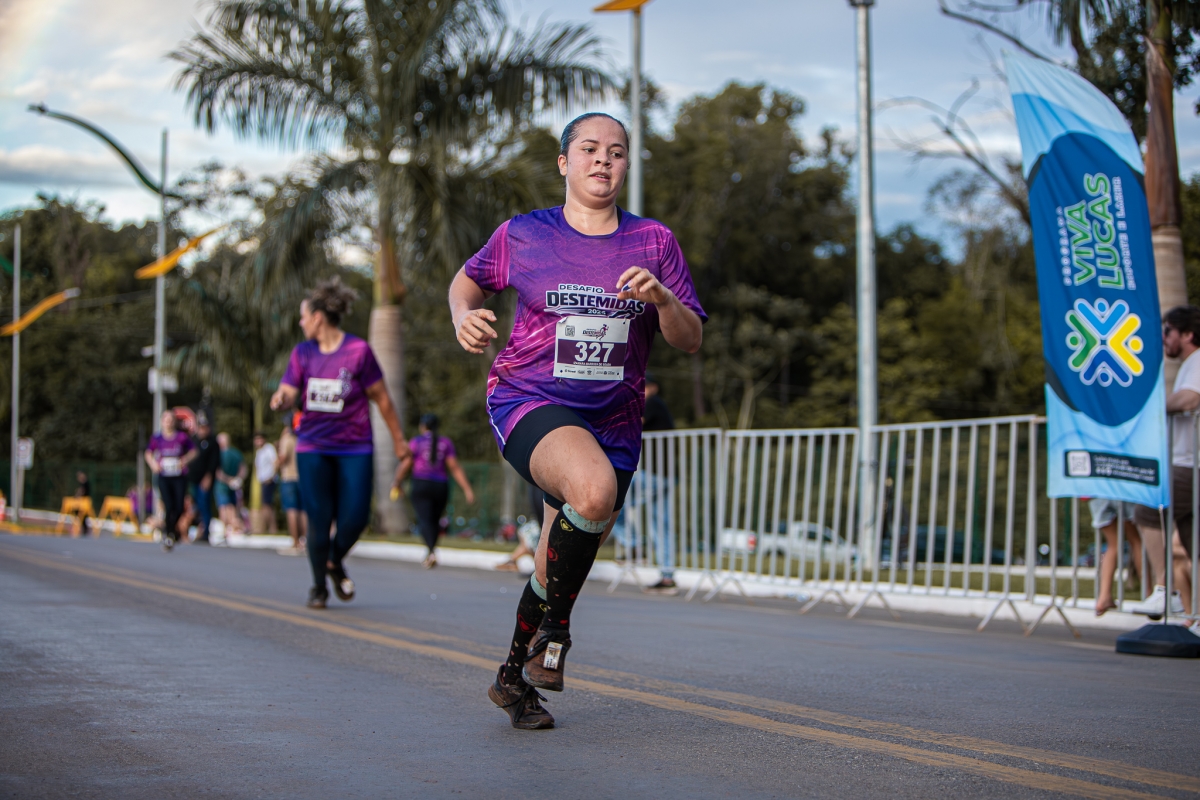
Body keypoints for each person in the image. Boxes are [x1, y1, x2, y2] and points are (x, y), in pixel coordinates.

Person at [450, 112, 705, 729]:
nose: (603, 161)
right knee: (593, 491)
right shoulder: (524, 234)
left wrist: (663, 298)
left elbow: (690, 338)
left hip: (614, 422)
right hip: (529, 398)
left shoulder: (654, 242)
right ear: (565, 163)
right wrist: (463, 316)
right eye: (589, 149)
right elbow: (468, 282)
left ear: (626, 165)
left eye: (616, 152)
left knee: (553, 560)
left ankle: (512, 679)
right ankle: (557, 634)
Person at [269, 277, 411, 609]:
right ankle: (319, 586)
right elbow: (288, 390)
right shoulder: (302, 353)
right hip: (313, 448)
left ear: (318, 317)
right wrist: (280, 399)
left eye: (304, 316)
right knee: (318, 518)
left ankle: (333, 560)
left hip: (354, 447)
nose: (301, 323)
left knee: (356, 516)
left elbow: (383, 399)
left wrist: (399, 441)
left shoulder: (358, 351)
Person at [1131, 305, 1200, 619]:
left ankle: (1165, 589)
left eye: (1168, 331)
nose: (1163, 337)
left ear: (1187, 334)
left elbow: (1190, 399)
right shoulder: (1189, 364)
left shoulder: (1197, 361)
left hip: (1190, 464)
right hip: (1189, 462)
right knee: (1192, 542)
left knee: (1149, 506)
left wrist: (1153, 406)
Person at [396, 413, 476, 568]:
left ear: (422, 426)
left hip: (421, 483)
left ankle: (431, 550)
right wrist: (467, 489)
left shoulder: (416, 442)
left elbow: (406, 464)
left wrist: (397, 482)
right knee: (434, 520)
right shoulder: (445, 443)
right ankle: (431, 551)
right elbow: (454, 467)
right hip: (440, 485)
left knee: (424, 519)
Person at [144, 410, 197, 551]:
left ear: (174, 422)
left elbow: (194, 451)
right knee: (168, 505)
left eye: (171, 420)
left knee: (178, 507)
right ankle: (169, 534)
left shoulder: (181, 437)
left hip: (179, 476)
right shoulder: (157, 438)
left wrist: (185, 460)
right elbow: (148, 453)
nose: (168, 422)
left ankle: (171, 530)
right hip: (164, 476)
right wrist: (153, 465)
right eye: (166, 420)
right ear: (162, 422)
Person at [1088, 499, 1141, 616]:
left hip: (1099, 493)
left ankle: (1104, 596)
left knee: (1112, 545)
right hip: (1124, 491)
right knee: (1136, 541)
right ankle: (1148, 594)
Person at [187, 412, 221, 543]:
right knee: (194, 506)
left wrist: (208, 477)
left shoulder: (213, 443)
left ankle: (206, 532)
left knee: (204, 505)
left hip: (204, 479)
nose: (202, 430)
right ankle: (196, 530)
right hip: (193, 479)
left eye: (205, 427)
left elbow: (214, 463)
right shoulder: (194, 441)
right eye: (200, 427)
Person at [276, 416, 306, 555]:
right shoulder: (304, 437)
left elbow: (283, 457)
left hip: (289, 477)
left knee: (292, 510)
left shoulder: (287, 439)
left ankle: (295, 542)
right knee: (303, 510)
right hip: (303, 477)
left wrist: (275, 465)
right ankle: (304, 542)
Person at [215, 432, 247, 536]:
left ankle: (226, 531)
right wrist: (237, 479)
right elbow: (243, 469)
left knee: (224, 508)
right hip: (235, 485)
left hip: (221, 486)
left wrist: (228, 480)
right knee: (234, 507)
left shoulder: (218, 454)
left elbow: (217, 472)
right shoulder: (236, 453)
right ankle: (235, 528)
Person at [253, 431, 278, 534]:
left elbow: (275, 462)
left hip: (269, 480)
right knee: (265, 504)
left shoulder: (269, 448)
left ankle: (271, 528)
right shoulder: (259, 452)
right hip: (263, 480)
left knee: (267, 505)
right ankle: (267, 528)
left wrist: (271, 476)